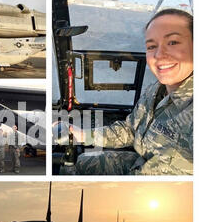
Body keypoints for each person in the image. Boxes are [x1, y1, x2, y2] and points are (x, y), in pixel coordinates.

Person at [72, 9, 193, 175]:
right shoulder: (156, 90)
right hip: (139, 163)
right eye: (151, 46)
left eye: (173, 42)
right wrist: (83, 136)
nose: (159, 55)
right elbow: (130, 129)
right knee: (78, 163)